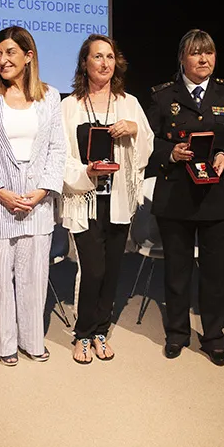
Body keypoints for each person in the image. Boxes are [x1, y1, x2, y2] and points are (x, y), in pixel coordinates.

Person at [145, 29, 224, 366]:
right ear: (182, 58)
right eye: (195, 53)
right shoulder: (163, 97)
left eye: (209, 53)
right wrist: (171, 152)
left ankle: (214, 337)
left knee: (217, 274)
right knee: (177, 272)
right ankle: (177, 333)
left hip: (219, 198)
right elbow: (147, 144)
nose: (203, 59)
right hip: (176, 197)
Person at [0, 26, 66, 366]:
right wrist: (1, 192)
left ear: (28, 57)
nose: (2, 60)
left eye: (10, 52)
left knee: (34, 276)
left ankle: (31, 340)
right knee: (0, 277)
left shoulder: (50, 97)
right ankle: (3, 343)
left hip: (37, 201)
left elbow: (57, 150)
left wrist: (41, 192)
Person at [61, 34, 154, 364]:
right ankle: (82, 333)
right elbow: (59, 156)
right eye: (97, 57)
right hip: (83, 197)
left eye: (109, 57)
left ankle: (101, 331)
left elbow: (148, 144)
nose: (104, 63)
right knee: (93, 269)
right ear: (84, 63)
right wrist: (86, 172)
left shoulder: (128, 103)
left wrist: (134, 129)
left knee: (113, 268)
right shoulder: (69, 106)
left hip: (117, 199)